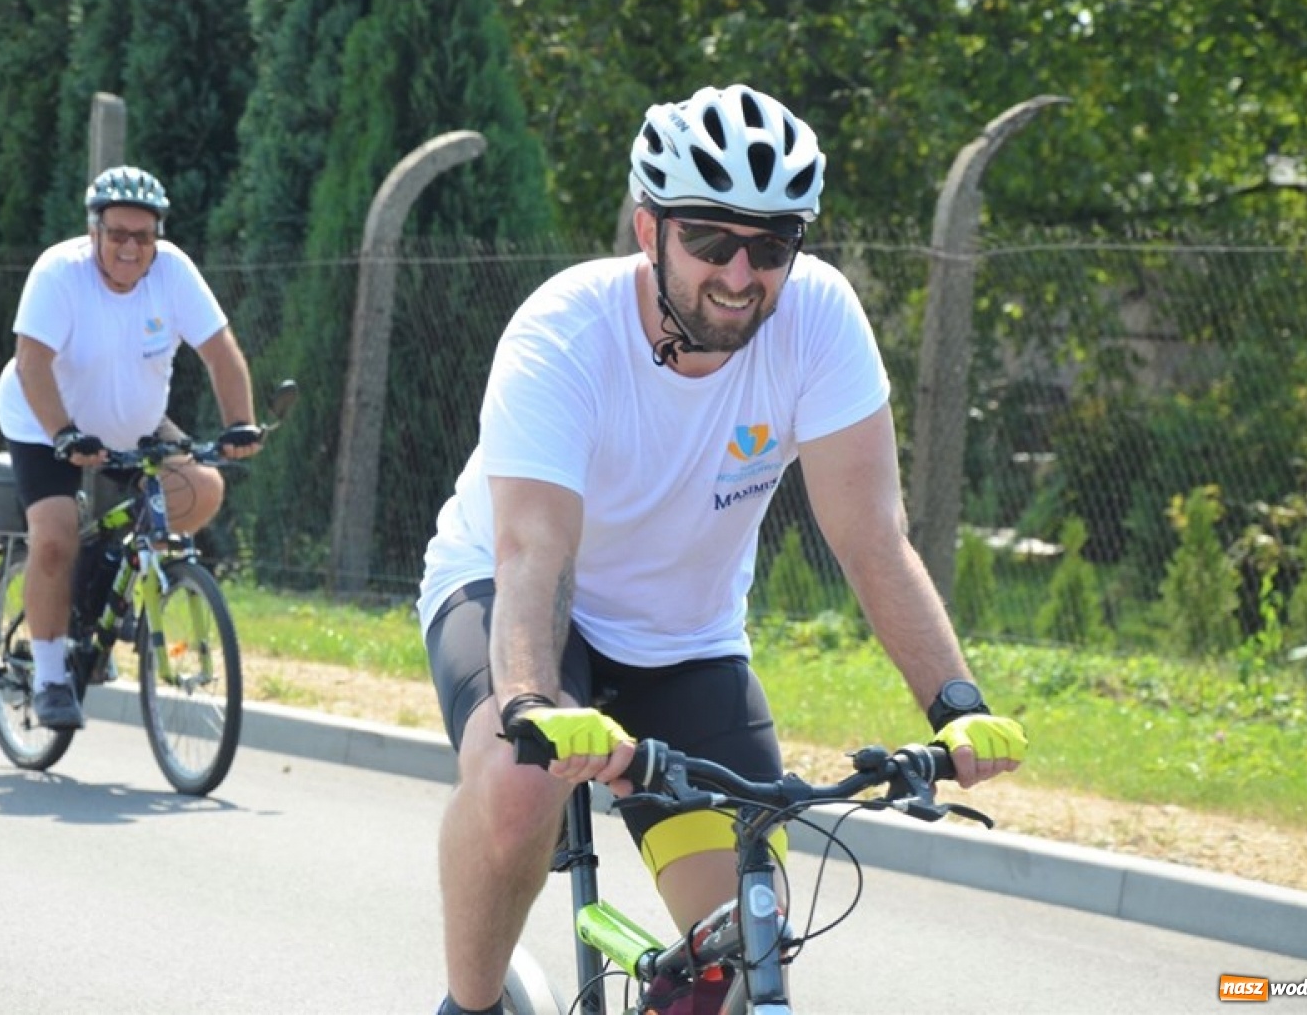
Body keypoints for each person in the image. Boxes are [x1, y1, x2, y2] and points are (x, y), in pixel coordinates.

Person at [417, 84, 1029, 1015]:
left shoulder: (819, 321)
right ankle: (471, 1007)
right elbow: (534, 547)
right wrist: (537, 703)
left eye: (772, 245)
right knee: (515, 783)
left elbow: (870, 538)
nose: (741, 274)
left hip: (686, 637)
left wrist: (956, 705)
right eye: (710, 240)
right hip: (519, 597)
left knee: (750, 945)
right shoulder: (564, 332)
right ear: (647, 228)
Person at [0, 164, 263, 731]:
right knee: (52, 539)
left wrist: (240, 422)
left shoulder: (174, 273)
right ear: (94, 230)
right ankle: (47, 678)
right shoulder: (59, 274)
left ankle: (98, 594)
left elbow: (220, 351)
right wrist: (64, 434)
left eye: (143, 236)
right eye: (117, 233)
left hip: (132, 423)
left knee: (201, 492)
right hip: (45, 422)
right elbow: (32, 363)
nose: (130, 247)